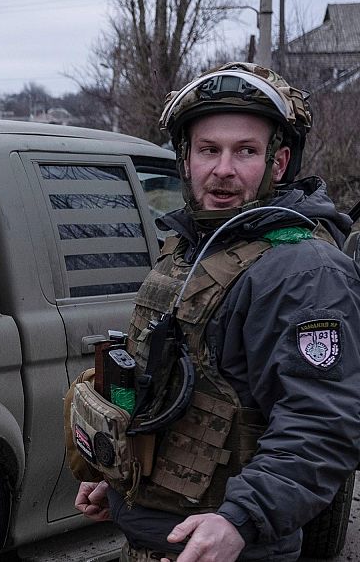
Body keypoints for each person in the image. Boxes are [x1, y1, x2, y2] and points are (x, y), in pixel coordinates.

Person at [68, 62, 360, 562]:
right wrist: (121, 482)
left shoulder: (303, 272)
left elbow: (320, 423)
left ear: (279, 161)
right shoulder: (190, 248)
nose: (223, 169)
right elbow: (166, 389)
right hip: (159, 537)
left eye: (245, 151)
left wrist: (240, 519)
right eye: (209, 150)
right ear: (186, 159)